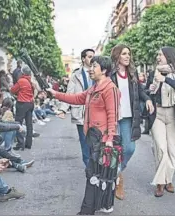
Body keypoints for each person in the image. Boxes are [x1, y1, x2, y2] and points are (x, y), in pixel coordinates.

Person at [47, 56, 120, 215]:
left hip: (102, 138)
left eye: (94, 66)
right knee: (100, 173)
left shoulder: (110, 88)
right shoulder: (93, 88)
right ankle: (105, 204)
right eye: (91, 65)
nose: (91, 69)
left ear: (104, 70)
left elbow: (112, 115)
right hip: (92, 136)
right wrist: (55, 94)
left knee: (92, 173)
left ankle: (87, 211)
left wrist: (109, 139)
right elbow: (76, 98)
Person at [110, 44, 154, 200]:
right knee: (115, 149)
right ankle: (117, 181)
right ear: (117, 56)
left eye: (128, 53)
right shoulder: (110, 74)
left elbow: (141, 90)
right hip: (113, 118)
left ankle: (116, 173)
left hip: (129, 118)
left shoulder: (132, 73)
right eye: (124, 54)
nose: (127, 56)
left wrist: (148, 99)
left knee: (129, 148)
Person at [146, 47, 175, 197]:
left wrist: (165, 79)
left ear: (168, 56)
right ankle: (160, 183)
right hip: (158, 113)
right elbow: (146, 91)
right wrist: (149, 90)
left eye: (160, 55)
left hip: (174, 114)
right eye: (157, 54)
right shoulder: (153, 72)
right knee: (160, 149)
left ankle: (168, 179)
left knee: (172, 150)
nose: (158, 57)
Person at [57, 49, 95, 167]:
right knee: (84, 142)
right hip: (81, 112)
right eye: (89, 56)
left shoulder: (98, 72)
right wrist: (63, 109)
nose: (92, 59)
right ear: (83, 59)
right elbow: (70, 93)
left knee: (95, 142)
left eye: (93, 56)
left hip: (96, 112)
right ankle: (89, 169)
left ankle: (95, 167)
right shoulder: (76, 75)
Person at [10, 65, 35, 150]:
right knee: (29, 124)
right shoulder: (30, 81)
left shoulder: (21, 81)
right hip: (30, 103)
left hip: (22, 103)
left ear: (22, 72)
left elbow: (13, 90)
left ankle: (20, 144)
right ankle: (29, 144)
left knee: (18, 123)